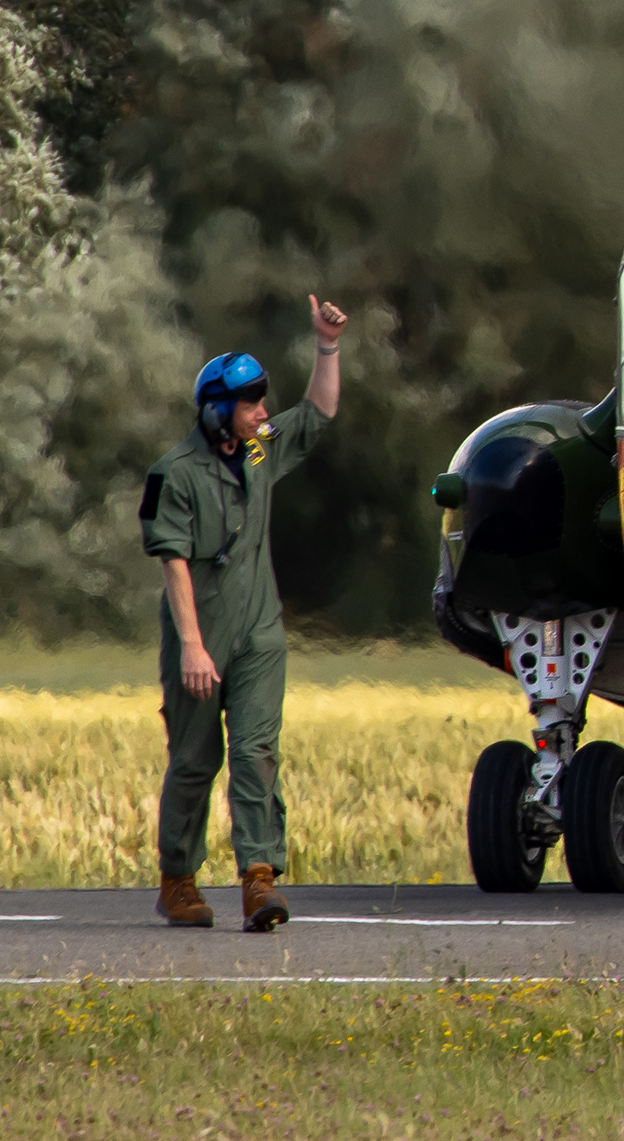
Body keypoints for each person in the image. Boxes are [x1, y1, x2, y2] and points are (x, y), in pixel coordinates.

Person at [139, 296, 348, 932]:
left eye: (262, 404)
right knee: (195, 761)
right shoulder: (173, 475)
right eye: (253, 404)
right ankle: (178, 879)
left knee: (256, 753)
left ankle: (259, 881)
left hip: (259, 634)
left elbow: (317, 414)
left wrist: (327, 345)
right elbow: (173, 564)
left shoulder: (257, 451)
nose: (263, 413)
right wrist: (195, 648)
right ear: (218, 413)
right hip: (200, 638)